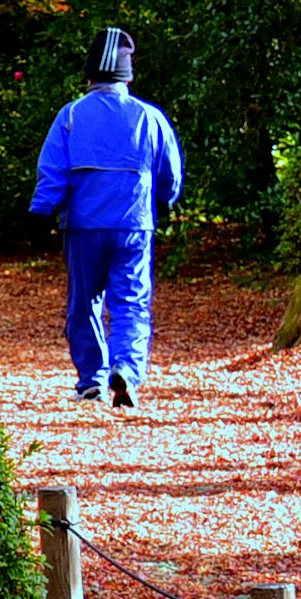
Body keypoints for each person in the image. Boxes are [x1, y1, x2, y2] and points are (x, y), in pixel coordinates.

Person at [30, 26, 186, 407]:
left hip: (83, 226)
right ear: (127, 75)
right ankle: (128, 371)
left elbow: (53, 171)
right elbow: (171, 174)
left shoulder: (70, 116)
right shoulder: (150, 118)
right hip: (134, 224)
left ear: (89, 75)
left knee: (85, 302)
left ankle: (92, 380)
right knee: (131, 300)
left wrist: (40, 213)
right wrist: (163, 199)